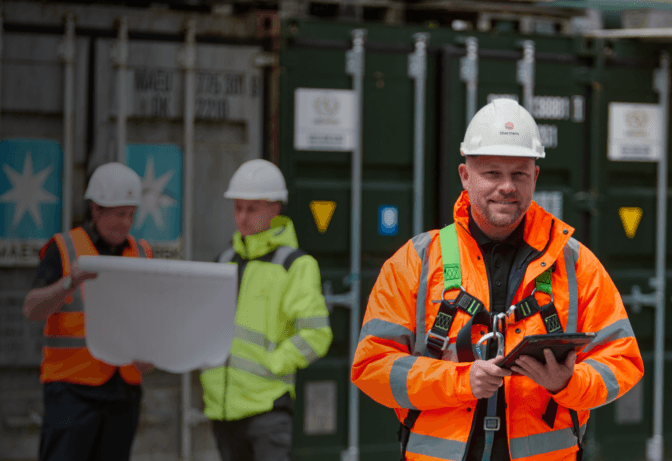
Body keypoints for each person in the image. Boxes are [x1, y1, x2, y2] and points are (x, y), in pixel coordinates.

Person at [351, 99, 644, 461]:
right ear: (465, 175)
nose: (507, 186)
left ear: (534, 177)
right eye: (492, 172)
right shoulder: (416, 261)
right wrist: (461, 381)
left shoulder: (574, 262)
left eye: (519, 173)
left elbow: (623, 361)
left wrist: (569, 383)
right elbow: (372, 366)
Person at [201, 159, 333, 461]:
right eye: (238, 208)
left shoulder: (295, 265)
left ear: (275, 208)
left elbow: (317, 335)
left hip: (267, 409)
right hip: (221, 406)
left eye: (252, 208)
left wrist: (273, 363)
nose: (242, 218)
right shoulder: (223, 262)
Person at [23, 162, 154, 461]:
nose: (126, 223)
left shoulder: (143, 252)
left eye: (131, 214)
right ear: (96, 210)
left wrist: (152, 352)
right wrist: (70, 282)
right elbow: (32, 309)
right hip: (72, 392)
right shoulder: (65, 248)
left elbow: (150, 316)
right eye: (119, 214)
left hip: (124, 392)